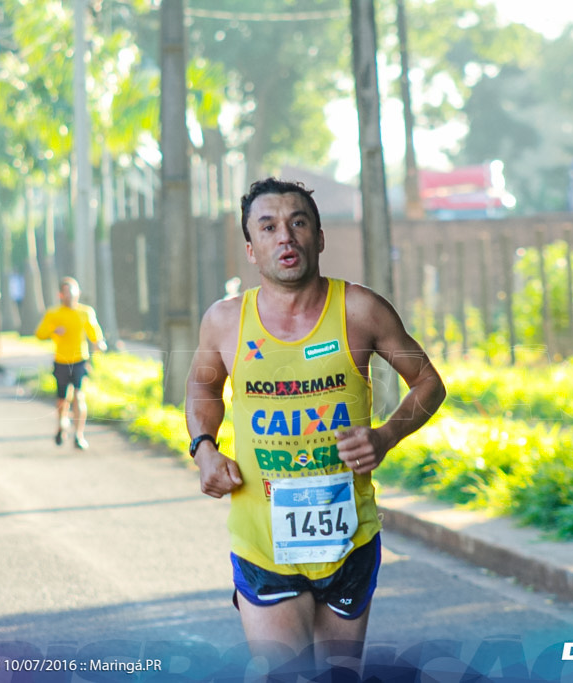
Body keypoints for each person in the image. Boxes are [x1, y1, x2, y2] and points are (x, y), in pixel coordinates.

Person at [185, 178, 446, 677]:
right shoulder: (223, 322)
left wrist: (386, 437)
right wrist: (203, 449)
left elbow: (429, 383)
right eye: (269, 227)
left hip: (348, 539)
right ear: (251, 248)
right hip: (262, 539)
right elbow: (202, 389)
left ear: (319, 238)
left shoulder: (361, 310)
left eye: (297, 223)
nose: (285, 236)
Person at [35, 277, 106, 449]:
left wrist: (99, 343)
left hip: (80, 359)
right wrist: (54, 331)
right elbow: (40, 334)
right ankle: (61, 424)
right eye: (66, 292)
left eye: (72, 291)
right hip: (61, 360)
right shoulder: (54, 313)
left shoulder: (86, 312)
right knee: (62, 399)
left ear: (78, 293)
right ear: (61, 294)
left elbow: (94, 332)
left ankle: (79, 435)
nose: (70, 295)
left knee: (79, 396)